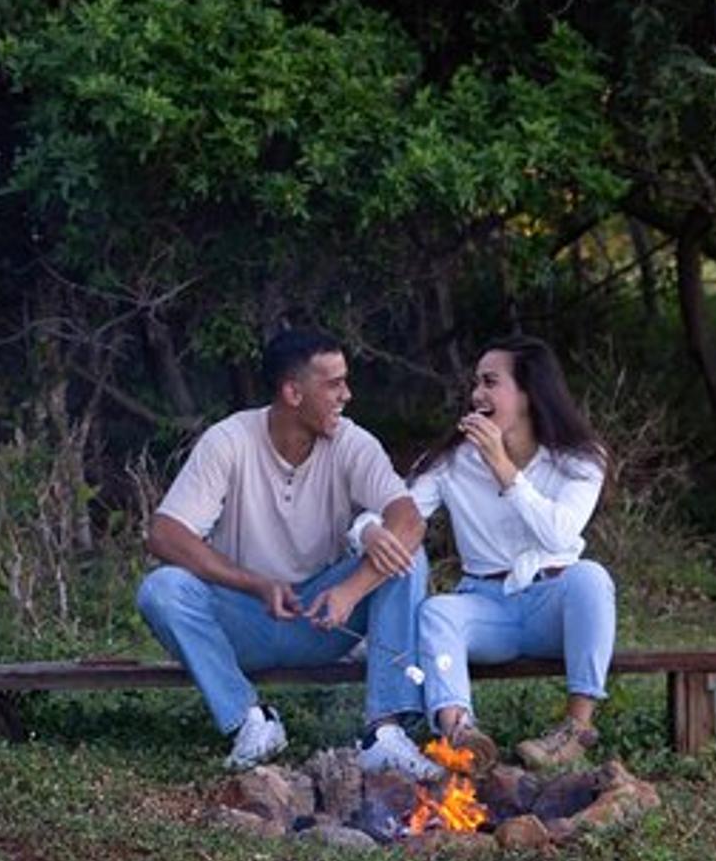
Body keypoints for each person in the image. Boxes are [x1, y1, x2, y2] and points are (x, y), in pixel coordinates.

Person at [137, 329, 441, 775]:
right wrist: (256, 584)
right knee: (160, 590)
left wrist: (351, 591)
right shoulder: (230, 440)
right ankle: (251, 720)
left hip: (322, 617)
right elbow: (164, 534)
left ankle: (384, 732)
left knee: (407, 558)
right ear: (293, 393)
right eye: (334, 384)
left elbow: (409, 520)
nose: (347, 395)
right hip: (245, 616)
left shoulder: (352, 442)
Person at [392, 335, 615, 773]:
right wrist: (366, 532)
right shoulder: (453, 461)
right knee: (437, 611)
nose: (477, 394)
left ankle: (575, 729)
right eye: (476, 383)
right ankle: (460, 734)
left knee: (591, 578)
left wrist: (503, 467)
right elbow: (399, 512)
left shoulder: (581, 459)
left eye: (490, 382)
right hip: (486, 605)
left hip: (552, 604)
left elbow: (560, 533)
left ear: (529, 393)